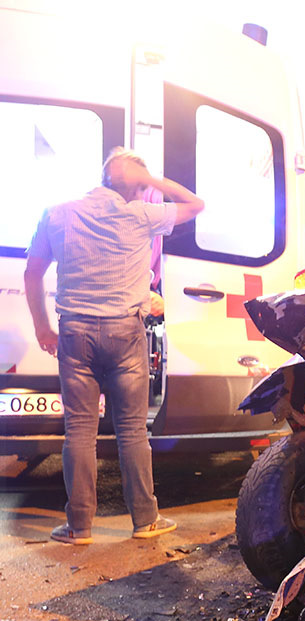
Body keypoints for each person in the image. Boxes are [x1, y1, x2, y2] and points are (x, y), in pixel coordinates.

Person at [25, 147, 205, 545]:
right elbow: (195, 204)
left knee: (80, 432)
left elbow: (32, 271)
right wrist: (151, 179)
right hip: (126, 334)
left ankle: (80, 527)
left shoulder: (57, 213)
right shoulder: (141, 215)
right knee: (132, 431)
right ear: (138, 189)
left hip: (75, 334)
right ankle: (145, 520)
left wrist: (41, 327)